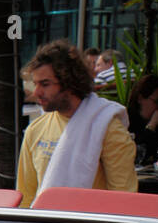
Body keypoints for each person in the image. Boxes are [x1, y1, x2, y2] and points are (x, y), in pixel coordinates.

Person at [17, 40, 136, 207]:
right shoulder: (35, 130)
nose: (36, 92)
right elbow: (26, 195)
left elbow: (123, 197)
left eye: (45, 84)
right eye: (35, 84)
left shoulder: (106, 126)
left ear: (69, 82)